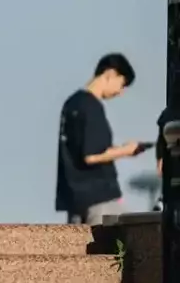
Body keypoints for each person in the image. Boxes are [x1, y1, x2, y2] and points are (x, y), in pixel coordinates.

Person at [56, 53, 146, 225]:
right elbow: (92, 155)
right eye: (122, 84)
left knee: (78, 249)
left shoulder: (72, 104)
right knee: (139, 232)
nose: (120, 92)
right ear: (110, 74)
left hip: (74, 197)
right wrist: (126, 151)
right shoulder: (92, 107)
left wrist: (117, 149)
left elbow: (84, 150)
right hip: (99, 197)